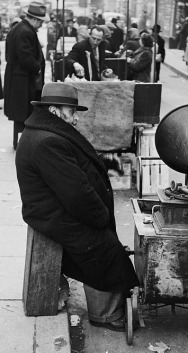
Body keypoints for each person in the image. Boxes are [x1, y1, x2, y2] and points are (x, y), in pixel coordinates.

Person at [15, 82, 139, 332]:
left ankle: (106, 305)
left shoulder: (44, 132)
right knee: (104, 250)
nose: (74, 119)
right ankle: (105, 315)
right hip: (51, 215)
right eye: (71, 112)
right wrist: (101, 219)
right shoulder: (47, 141)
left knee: (103, 244)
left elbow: (74, 176)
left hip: (51, 209)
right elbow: (76, 195)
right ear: (53, 110)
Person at [4, 1, 47, 150]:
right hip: (22, 81)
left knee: (22, 114)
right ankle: (25, 143)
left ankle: (21, 141)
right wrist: (38, 68)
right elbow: (26, 58)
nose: (41, 25)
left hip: (18, 78)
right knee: (26, 112)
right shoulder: (26, 31)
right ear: (35, 19)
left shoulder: (19, 29)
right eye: (41, 22)